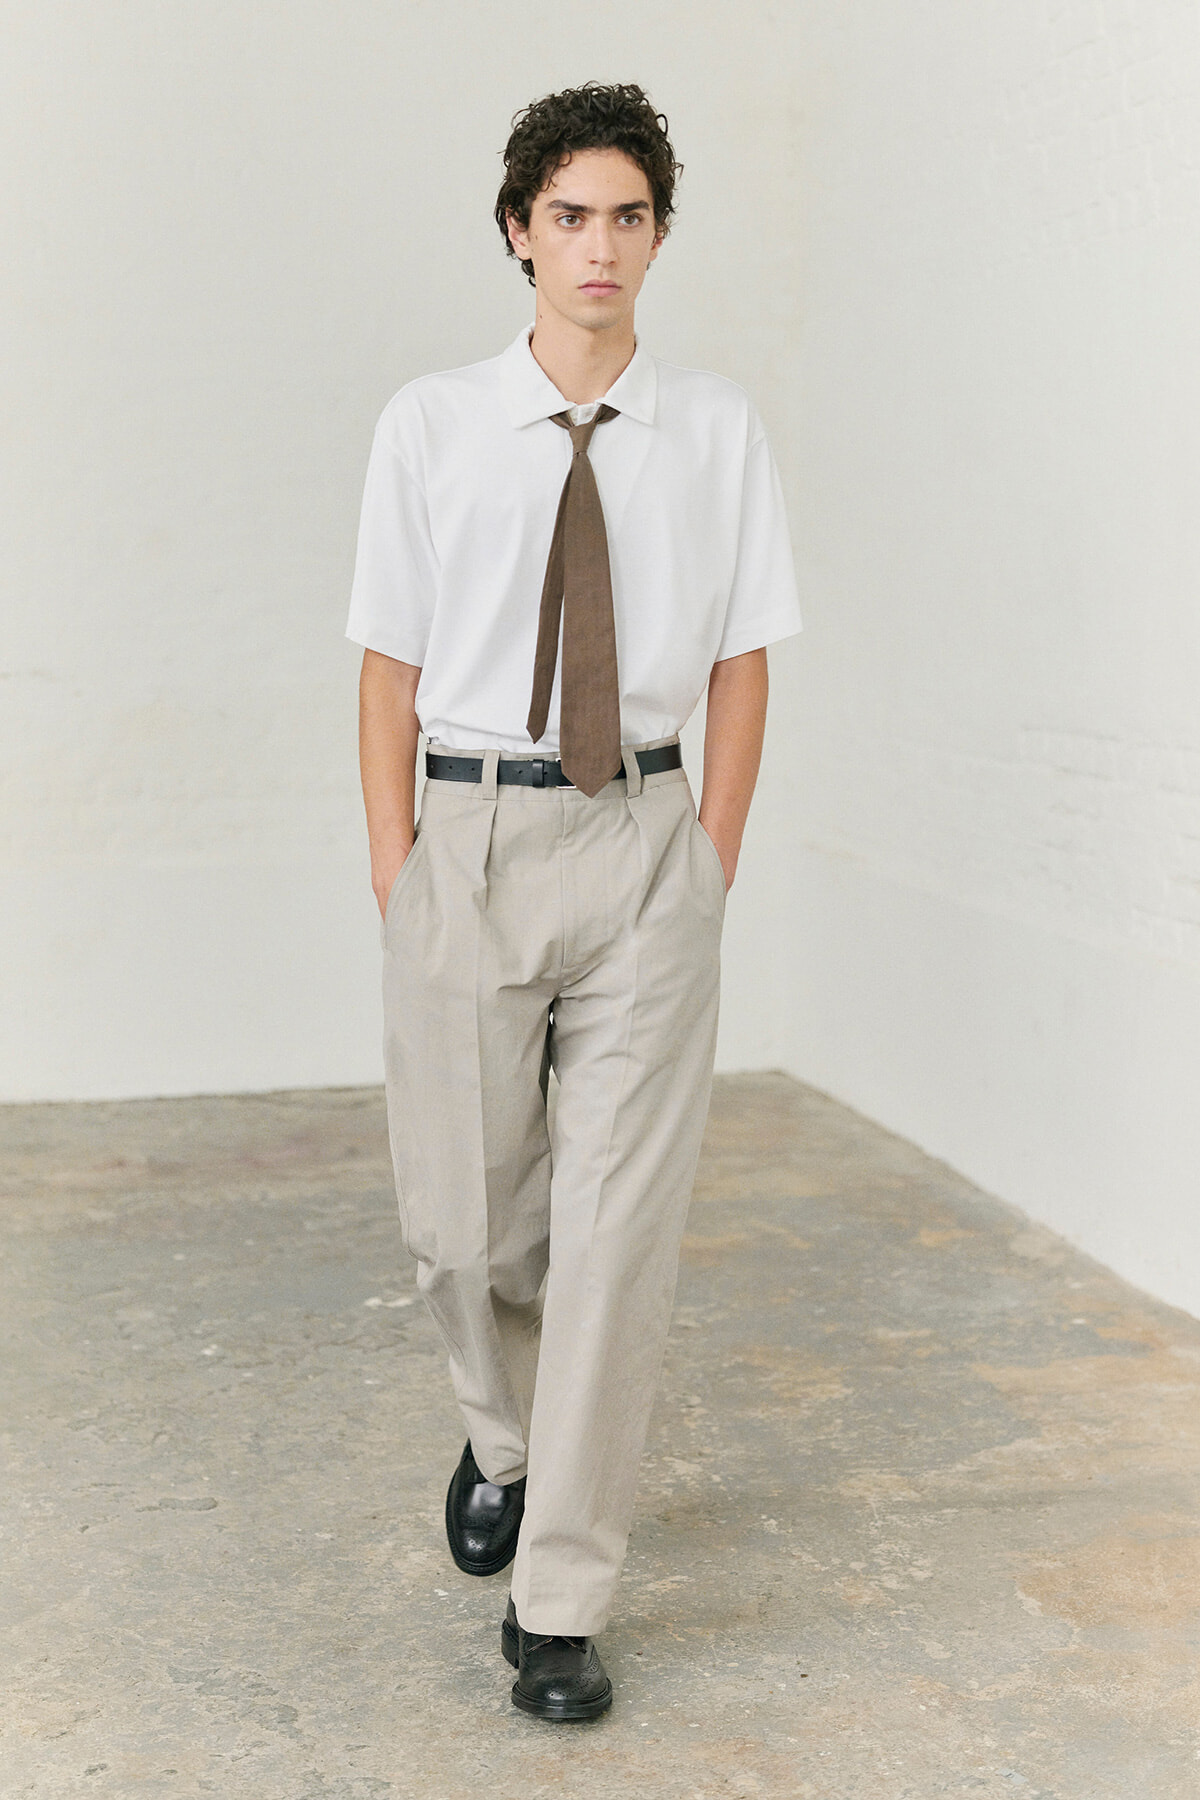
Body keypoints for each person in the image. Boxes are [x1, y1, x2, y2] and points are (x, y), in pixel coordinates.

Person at [348, 80, 801, 1722]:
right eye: (568, 214)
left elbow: (746, 656)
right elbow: (388, 672)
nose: (597, 245)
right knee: (460, 1222)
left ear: (658, 237)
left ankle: (560, 1595)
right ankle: (503, 1435)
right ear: (519, 231)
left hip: (648, 844)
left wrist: (712, 853)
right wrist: (401, 873)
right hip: (469, 840)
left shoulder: (718, 429)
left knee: (616, 1240)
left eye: (627, 216)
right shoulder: (430, 425)